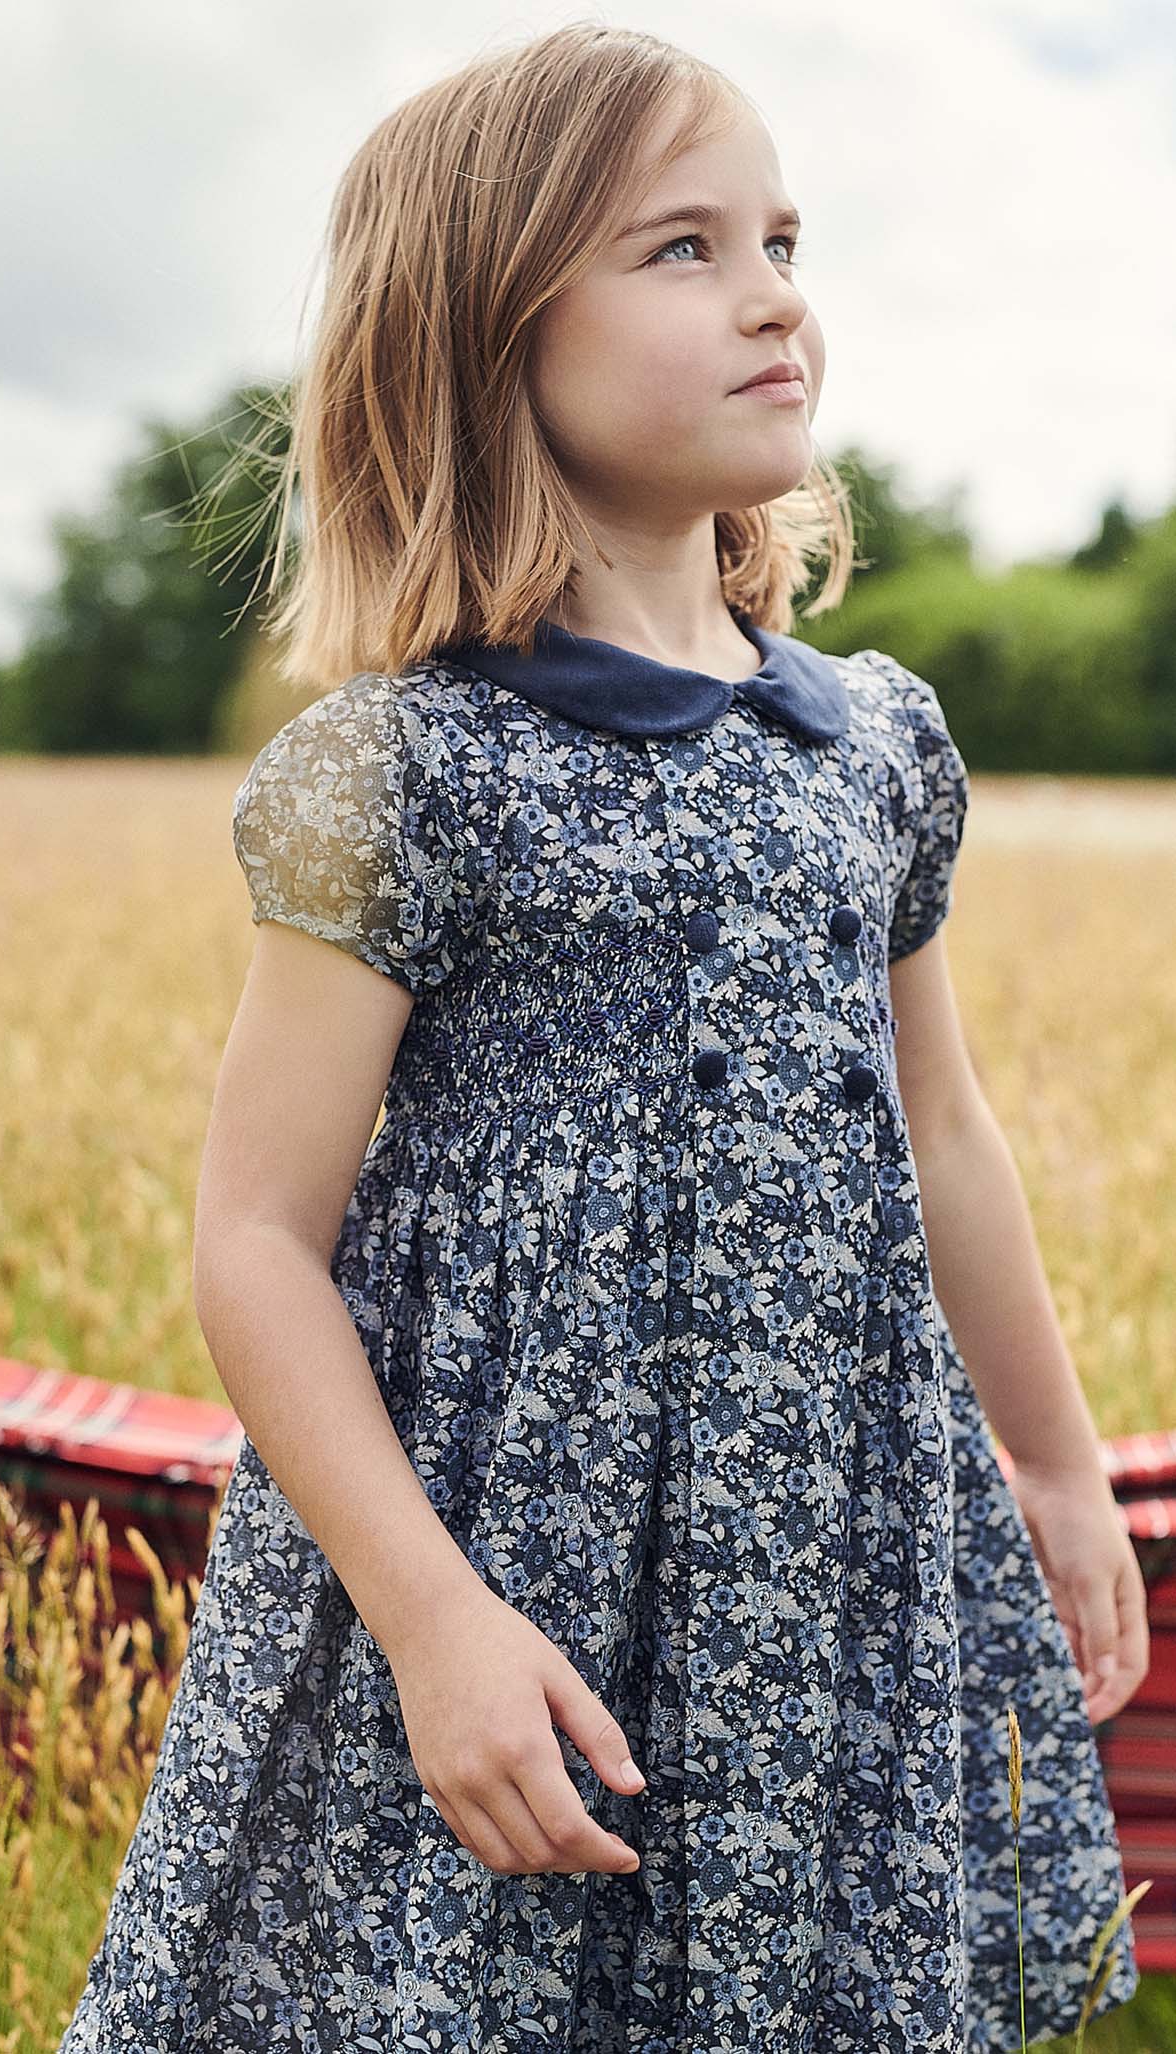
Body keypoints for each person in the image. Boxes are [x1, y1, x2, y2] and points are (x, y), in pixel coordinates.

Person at [56, 22, 1148, 2052]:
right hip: (495, 1542)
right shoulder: (400, 770)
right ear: (487, 335)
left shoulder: (871, 745)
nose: (771, 298)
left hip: (822, 1535)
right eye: (677, 249)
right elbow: (253, 1239)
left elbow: (943, 1127)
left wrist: (1058, 1465)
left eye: (782, 239)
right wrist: (431, 1617)